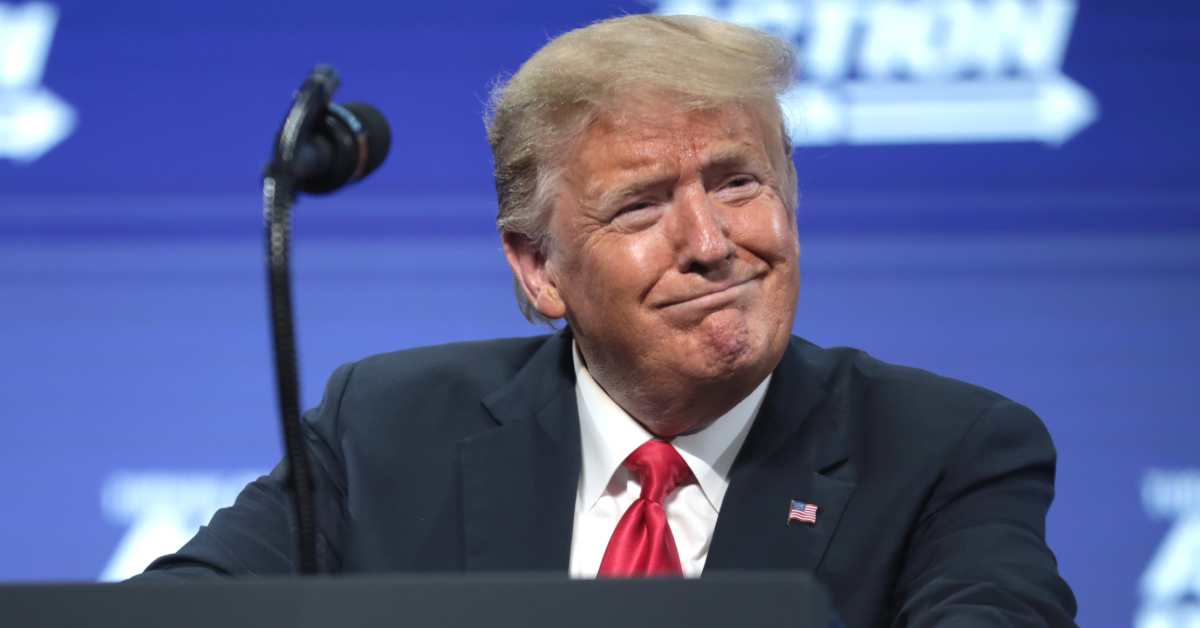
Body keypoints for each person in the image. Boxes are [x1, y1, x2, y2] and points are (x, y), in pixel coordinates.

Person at [135, 14, 1078, 627]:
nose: (711, 241)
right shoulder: (383, 429)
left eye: (738, 182)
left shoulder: (947, 450)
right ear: (539, 270)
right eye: (640, 206)